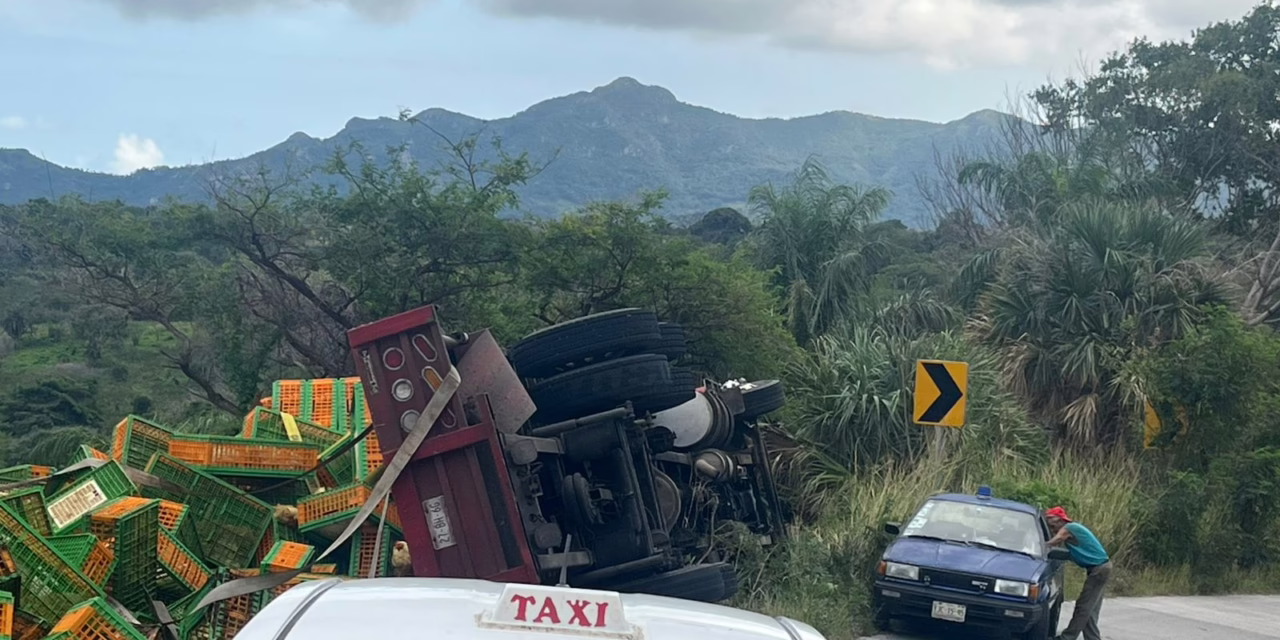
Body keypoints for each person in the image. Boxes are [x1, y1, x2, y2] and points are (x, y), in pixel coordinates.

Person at [1045, 506, 1111, 640]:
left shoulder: (1070, 528)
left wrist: (1040, 546)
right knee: (1090, 609)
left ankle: (1067, 637)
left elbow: (1055, 541)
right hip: (1101, 568)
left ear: (1059, 520)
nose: (1052, 528)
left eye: (1051, 523)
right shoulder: (1072, 531)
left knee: (1083, 607)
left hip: (1099, 569)